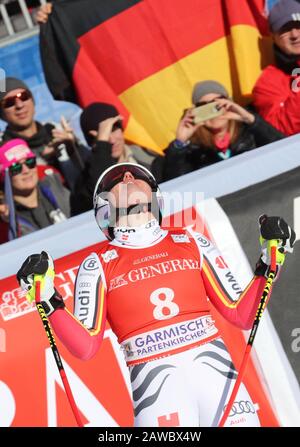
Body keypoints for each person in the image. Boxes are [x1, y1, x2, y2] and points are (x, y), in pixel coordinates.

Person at [16, 163, 295, 427]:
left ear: (155, 197)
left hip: (219, 379)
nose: (127, 178)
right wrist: (47, 298)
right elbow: (86, 348)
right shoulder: (98, 263)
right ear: (104, 209)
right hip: (159, 394)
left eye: (137, 177)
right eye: (116, 181)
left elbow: (242, 315)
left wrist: (271, 263)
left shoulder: (190, 240)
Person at [162, 80, 284, 181]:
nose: (213, 112)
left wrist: (251, 120)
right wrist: (179, 144)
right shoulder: (191, 149)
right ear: (196, 112)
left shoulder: (251, 132)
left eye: (217, 104)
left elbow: (288, 152)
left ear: (229, 103)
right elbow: (175, 187)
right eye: (204, 107)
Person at [71, 102, 163, 215]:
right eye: (103, 135)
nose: (112, 140)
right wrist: (102, 146)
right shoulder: (84, 183)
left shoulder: (151, 159)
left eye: (113, 129)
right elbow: (103, 195)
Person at [0, 77, 89, 190]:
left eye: (23, 97)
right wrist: (41, 162)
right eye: (9, 102)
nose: (19, 105)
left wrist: (73, 148)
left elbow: (91, 174)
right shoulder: (2, 150)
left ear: (33, 101)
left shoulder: (57, 130)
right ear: (1, 113)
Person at [0, 139, 70, 242]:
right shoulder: (4, 219)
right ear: (3, 176)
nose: (26, 170)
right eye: (16, 167)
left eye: (30, 162)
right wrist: (7, 225)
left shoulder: (55, 185)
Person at [253, 0, 300, 136]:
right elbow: (278, 130)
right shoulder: (267, 83)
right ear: (273, 36)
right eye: (285, 29)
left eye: (298, 26)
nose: (295, 35)